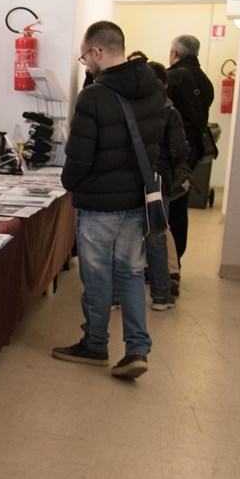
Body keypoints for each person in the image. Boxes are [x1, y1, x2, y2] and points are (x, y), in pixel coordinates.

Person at [52, 21, 164, 380]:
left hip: (99, 203)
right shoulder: (153, 88)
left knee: (97, 276)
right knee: (131, 273)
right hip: (136, 199)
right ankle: (137, 349)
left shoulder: (94, 96)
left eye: (85, 56)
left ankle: (95, 344)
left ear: (97, 51)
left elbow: (79, 156)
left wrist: (68, 183)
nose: (86, 63)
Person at [166, 34, 215, 294]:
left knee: (164, 210)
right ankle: (175, 265)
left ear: (175, 53)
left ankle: (167, 269)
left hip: (172, 155)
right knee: (179, 207)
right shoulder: (206, 81)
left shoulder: (173, 77)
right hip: (191, 155)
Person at [144, 61, 189, 311]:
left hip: (134, 176)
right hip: (158, 178)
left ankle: (116, 296)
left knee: (126, 236)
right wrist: (169, 167)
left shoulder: (134, 108)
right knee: (157, 234)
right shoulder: (169, 112)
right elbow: (180, 149)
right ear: (165, 84)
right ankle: (161, 295)